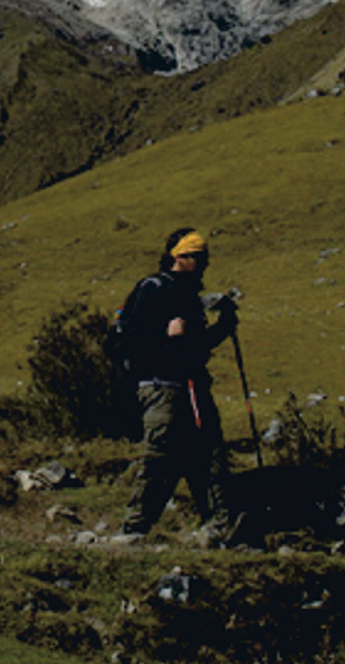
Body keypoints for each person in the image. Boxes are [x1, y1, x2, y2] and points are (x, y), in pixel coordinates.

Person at [118, 228, 239, 541]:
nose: (202, 264)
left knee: (209, 455)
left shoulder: (186, 296)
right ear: (179, 257)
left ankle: (220, 528)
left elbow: (195, 347)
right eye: (196, 257)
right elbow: (131, 339)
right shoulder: (153, 288)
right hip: (162, 386)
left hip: (190, 385)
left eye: (204, 258)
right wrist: (166, 335)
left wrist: (222, 328)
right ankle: (134, 530)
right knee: (160, 457)